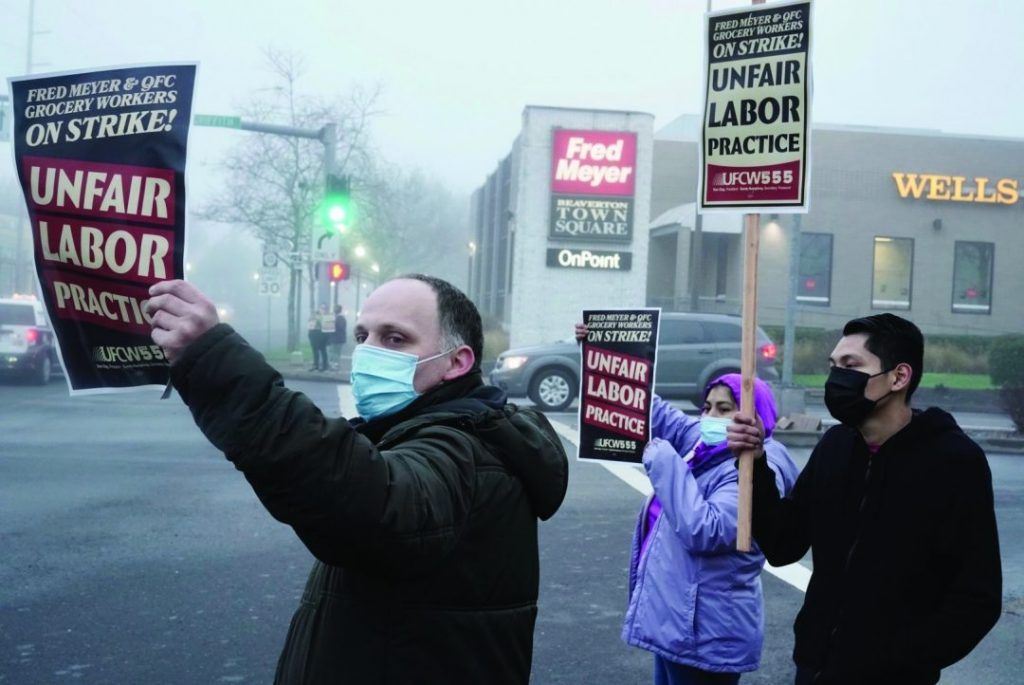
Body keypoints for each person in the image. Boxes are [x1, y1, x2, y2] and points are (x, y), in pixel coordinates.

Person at [145, 275, 569, 684]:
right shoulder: (426, 431)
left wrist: (215, 361)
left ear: (457, 362)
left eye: (395, 339)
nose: (368, 352)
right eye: (362, 336)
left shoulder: (465, 451)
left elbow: (374, 504)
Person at [728, 313, 1002, 685]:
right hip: (814, 668)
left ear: (899, 377)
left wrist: (907, 659)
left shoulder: (954, 462)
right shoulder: (834, 447)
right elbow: (783, 544)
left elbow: (977, 596)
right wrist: (756, 465)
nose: (836, 377)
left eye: (851, 365)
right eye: (833, 365)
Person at [574, 325, 799, 684]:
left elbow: (705, 530)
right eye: (707, 406)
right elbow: (653, 412)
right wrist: (604, 357)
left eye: (725, 409)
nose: (710, 416)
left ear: (756, 418)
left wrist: (662, 460)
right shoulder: (707, 443)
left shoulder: (755, 468)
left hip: (707, 634)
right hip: (680, 625)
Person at [306, 305, 327, 372]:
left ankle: (320, 365)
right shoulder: (317, 318)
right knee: (320, 351)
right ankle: (320, 365)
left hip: (318, 336)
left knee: (319, 351)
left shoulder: (320, 318)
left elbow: (311, 327)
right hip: (318, 336)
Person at [329, 304, 347, 370]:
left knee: (335, 352)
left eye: (335, 308)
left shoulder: (340, 318)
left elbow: (340, 328)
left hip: (337, 338)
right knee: (334, 351)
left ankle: (335, 364)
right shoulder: (338, 318)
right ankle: (334, 364)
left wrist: (332, 327)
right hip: (336, 338)